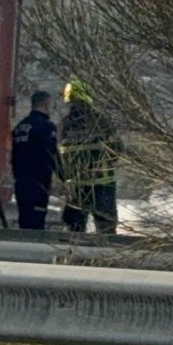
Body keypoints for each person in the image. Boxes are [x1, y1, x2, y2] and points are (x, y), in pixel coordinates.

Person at [57, 80, 118, 235]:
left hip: (76, 187)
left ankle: (73, 259)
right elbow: (117, 148)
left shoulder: (64, 125)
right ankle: (106, 258)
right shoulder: (100, 121)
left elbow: (58, 156)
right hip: (102, 184)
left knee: (74, 231)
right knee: (106, 230)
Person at [9, 89, 59, 231]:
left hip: (21, 182)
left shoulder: (20, 127)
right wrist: (64, 177)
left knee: (24, 221)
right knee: (36, 223)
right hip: (39, 183)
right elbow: (52, 155)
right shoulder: (46, 127)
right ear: (45, 104)